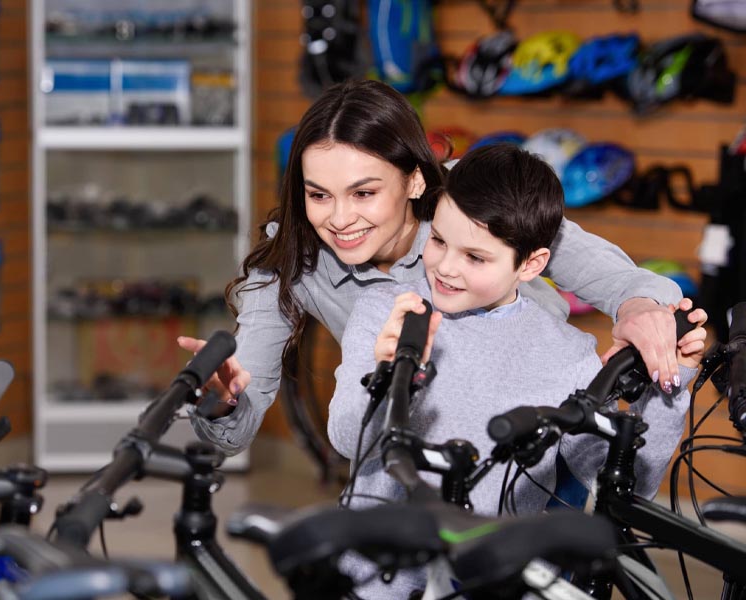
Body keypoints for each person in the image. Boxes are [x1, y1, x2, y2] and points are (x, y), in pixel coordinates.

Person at [179, 78, 684, 456]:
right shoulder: (289, 258)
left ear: (416, 182)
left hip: (534, 440)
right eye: (318, 194)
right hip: (419, 454)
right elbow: (237, 429)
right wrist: (222, 400)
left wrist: (641, 309)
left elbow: (611, 276)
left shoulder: (475, 196)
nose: (338, 218)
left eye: (364, 192)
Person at [327, 144, 707, 598]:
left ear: (531, 264)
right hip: (370, 581)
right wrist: (389, 376)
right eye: (440, 240)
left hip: (493, 583)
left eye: (476, 257)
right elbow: (347, 437)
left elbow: (625, 487)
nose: (445, 267)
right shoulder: (386, 312)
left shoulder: (568, 356)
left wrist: (670, 386)